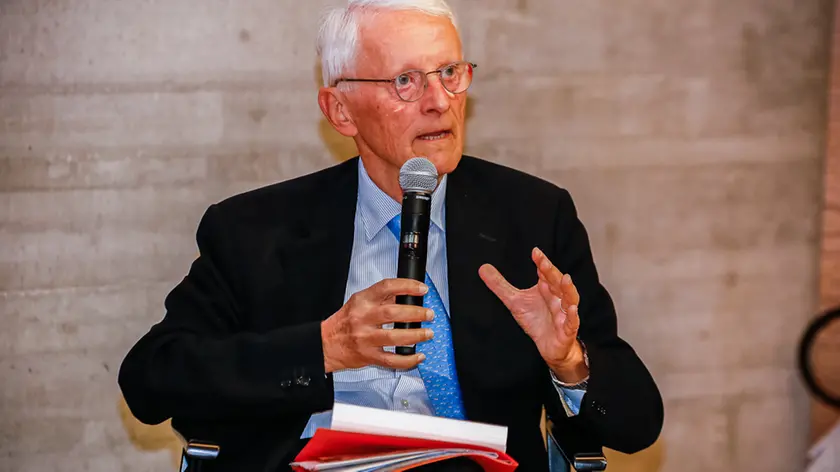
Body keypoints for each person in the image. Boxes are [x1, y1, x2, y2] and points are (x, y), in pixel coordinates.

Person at [118, 1, 664, 470]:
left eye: (449, 72)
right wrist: (322, 348)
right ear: (340, 110)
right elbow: (151, 380)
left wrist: (569, 361)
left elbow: (638, 423)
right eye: (406, 81)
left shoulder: (533, 217)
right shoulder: (254, 230)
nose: (439, 100)